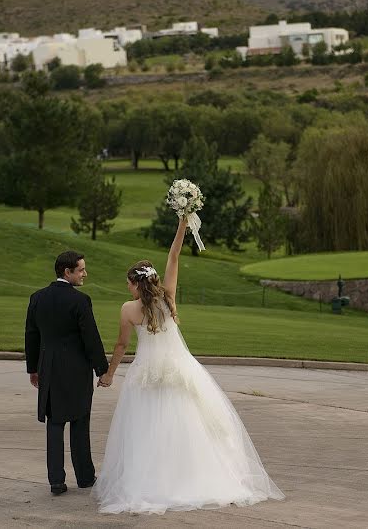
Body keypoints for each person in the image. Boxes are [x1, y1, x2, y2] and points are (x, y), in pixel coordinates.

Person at [92, 219, 285, 514]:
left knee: (145, 431)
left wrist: (109, 374)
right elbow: (174, 256)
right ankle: (188, 476)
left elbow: (121, 346)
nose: (128, 288)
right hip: (178, 370)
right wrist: (182, 222)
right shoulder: (167, 299)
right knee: (188, 425)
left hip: (146, 374)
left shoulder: (128, 309)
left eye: (129, 283)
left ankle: (152, 481)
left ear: (136, 283)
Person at [25, 251, 112, 495]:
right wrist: (102, 370)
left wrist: (32, 368)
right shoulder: (80, 301)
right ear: (67, 272)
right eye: (81, 269)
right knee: (80, 420)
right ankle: (84, 477)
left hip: (49, 368)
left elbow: (31, 335)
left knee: (54, 423)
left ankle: (56, 481)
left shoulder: (37, 298)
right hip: (76, 369)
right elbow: (91, 339)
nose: (85, 273)